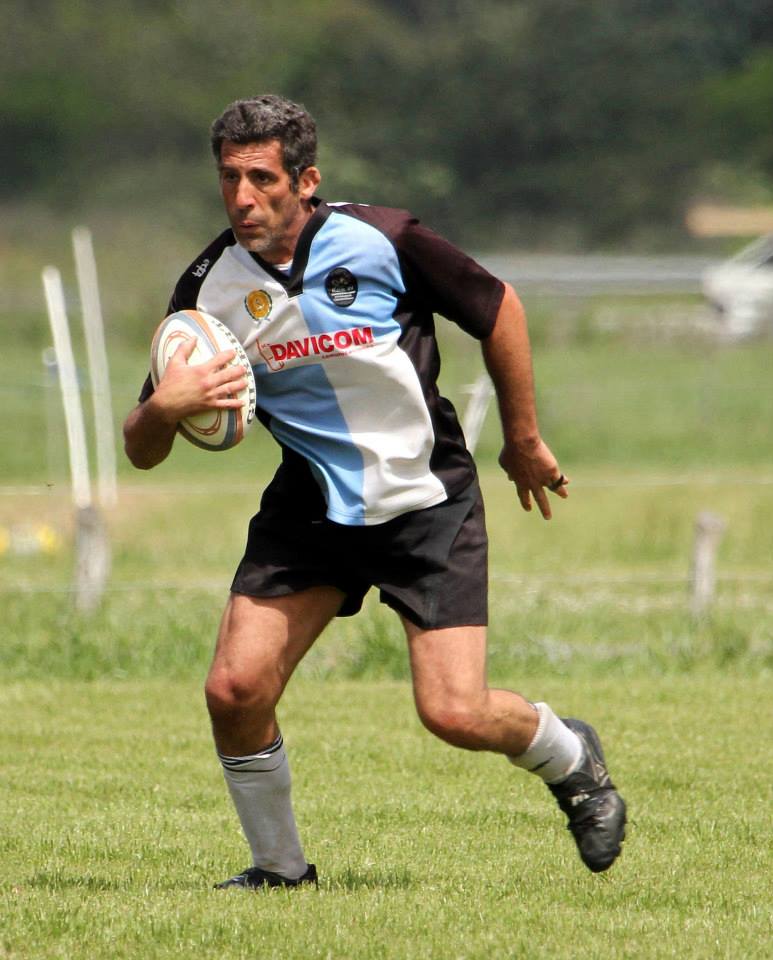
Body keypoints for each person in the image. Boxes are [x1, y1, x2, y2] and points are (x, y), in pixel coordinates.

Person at [123, 94, 626, 888]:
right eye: (229, 179)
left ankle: (571, 757)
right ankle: (280, 872)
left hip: (425, 495)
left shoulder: (383, 237)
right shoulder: (207, 290)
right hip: (312, 505)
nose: (243, 198)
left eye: (261, 178)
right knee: (234, 688)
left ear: (306, 179)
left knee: (453, 713)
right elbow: (140, 448)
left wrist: (522, 438)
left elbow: (498, 309)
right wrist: (164, 407)